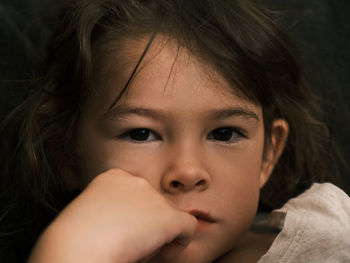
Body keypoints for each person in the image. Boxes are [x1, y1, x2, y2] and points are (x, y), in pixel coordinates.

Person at [0, 0, 349, 262]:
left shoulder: (324, 243)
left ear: (267, 156)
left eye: (225, 134)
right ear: (67, 155)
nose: (187, 172)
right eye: (141, 134)